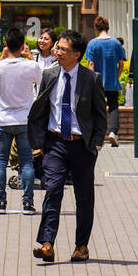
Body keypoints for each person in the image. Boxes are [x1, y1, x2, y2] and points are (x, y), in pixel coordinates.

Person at [28, 30, 107, 263]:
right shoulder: (50, 74)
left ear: (77, 54)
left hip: (82, 145)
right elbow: (41, 109)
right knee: (52, 191)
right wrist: (39, 143)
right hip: (55, 143)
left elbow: (101, 115)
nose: (57, 52)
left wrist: (96, 143)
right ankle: (47, 244)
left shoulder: (91, 79)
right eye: (57, 48)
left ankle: (81, 246)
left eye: (63, 49)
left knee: (84, 197)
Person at [0, 27, 40, 214]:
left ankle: (0, 203)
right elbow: (40, 77)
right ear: (23, 45)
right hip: (24, 120)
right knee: (27, 163)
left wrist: (1, 57)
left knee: (0, 162)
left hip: (2, 120)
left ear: (6, 45)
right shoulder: (30, 66)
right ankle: (28, 203)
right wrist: (29, 56)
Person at [84, 15, 126, 147]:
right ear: (107, 27)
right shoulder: (116, 43)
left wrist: (91, 80)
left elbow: (91, 64)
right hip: (112, 82)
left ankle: (99, 137)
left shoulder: (92, 43)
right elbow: (121, 64)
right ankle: (113, 132)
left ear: (96, 28)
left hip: (97, 82)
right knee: (113, 107)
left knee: (98, 109)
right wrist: (116, 77)